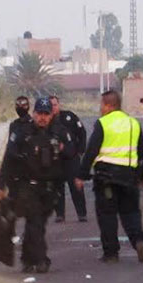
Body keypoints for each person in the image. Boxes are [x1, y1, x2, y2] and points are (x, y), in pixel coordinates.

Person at [0, 97, 76, 273]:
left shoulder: (59, 132)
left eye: (46, 114)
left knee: (37, 224)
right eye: (39, 113)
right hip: (27, 186)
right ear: (34, 113)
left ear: (51, 115)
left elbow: (72, 154)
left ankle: (27, 259)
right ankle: (41, 259)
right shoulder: (22, 132)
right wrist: (0, 184)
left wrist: (63, 150)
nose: (42, 118)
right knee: (35, 222)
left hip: (51, 187)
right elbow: (9, 159)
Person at [75, 90, 143, 263]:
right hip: (129, 179)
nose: (100, 108)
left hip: (106, 179)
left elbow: (91, 150)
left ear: (109, 105)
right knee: (131, 214)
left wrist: (81, 174)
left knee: (107, 215)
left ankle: (111, 253)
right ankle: (139, 241)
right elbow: (141, 153)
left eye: (102, 105)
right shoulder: (133, 123)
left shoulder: (103, 123)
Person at [49, 95, 88, 223]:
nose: (53, 108)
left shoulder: (69, 117)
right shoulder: (46, 121)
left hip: (71, 158)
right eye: (50, 106)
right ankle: (60, 214)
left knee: (76, 187)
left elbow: (82, 133)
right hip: (55, 160)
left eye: (55, 105)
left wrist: (80, 151)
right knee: (57, 188)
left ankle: (82, 214)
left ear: (58, 105)